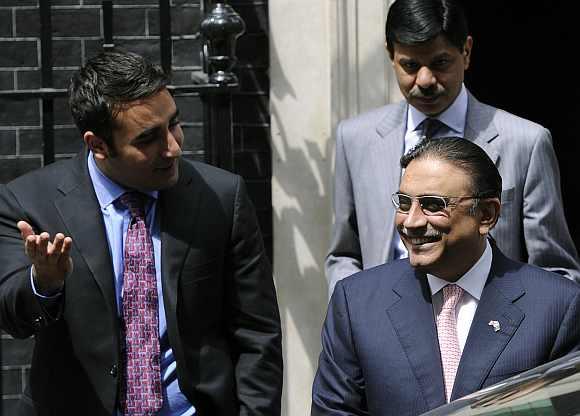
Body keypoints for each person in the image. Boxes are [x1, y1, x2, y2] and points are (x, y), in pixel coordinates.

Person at [0, 50, 282, 415]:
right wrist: (45, 284)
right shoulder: (29, 203)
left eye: (174, 124)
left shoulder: (222, 198)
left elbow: (257, 334)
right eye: (149, 139)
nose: (174, 147)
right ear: (98, 145)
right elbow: (12, 316)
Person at [325, 0, 580, 296]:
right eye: (410, 65)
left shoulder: (525, 143)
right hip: (381, 330)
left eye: (440, 63)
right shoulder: (355, 139)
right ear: (390, 55)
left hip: (491, 332)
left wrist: (522, 335)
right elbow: (343, 255)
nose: (425, 80)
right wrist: (357, 316)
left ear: (466, 52)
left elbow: (556, 272)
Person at [312, 137, 580, 415]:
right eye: (404, 203)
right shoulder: (357, 302)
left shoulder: (556, 306)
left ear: (486, 214)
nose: (411, 222)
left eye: (432, 204)